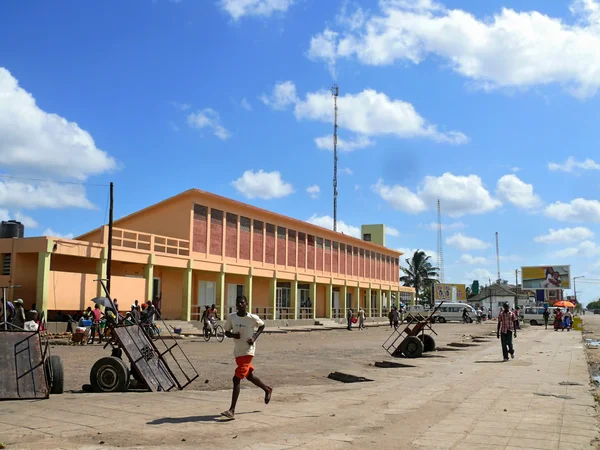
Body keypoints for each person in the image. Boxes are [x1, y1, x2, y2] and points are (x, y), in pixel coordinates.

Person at [221, 295, 272, 420]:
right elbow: (226, 332)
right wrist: (233, 335)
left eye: (242, 303)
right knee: (249, 375)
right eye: (238, 303)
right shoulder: (232, 317)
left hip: (248, 351)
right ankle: (267, 389)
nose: (239, 305)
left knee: (236, 379)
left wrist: (254, 337)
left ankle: (232, 410)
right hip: (238, 351)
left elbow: (262, 325)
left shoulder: (252, 318)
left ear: (246, 304)